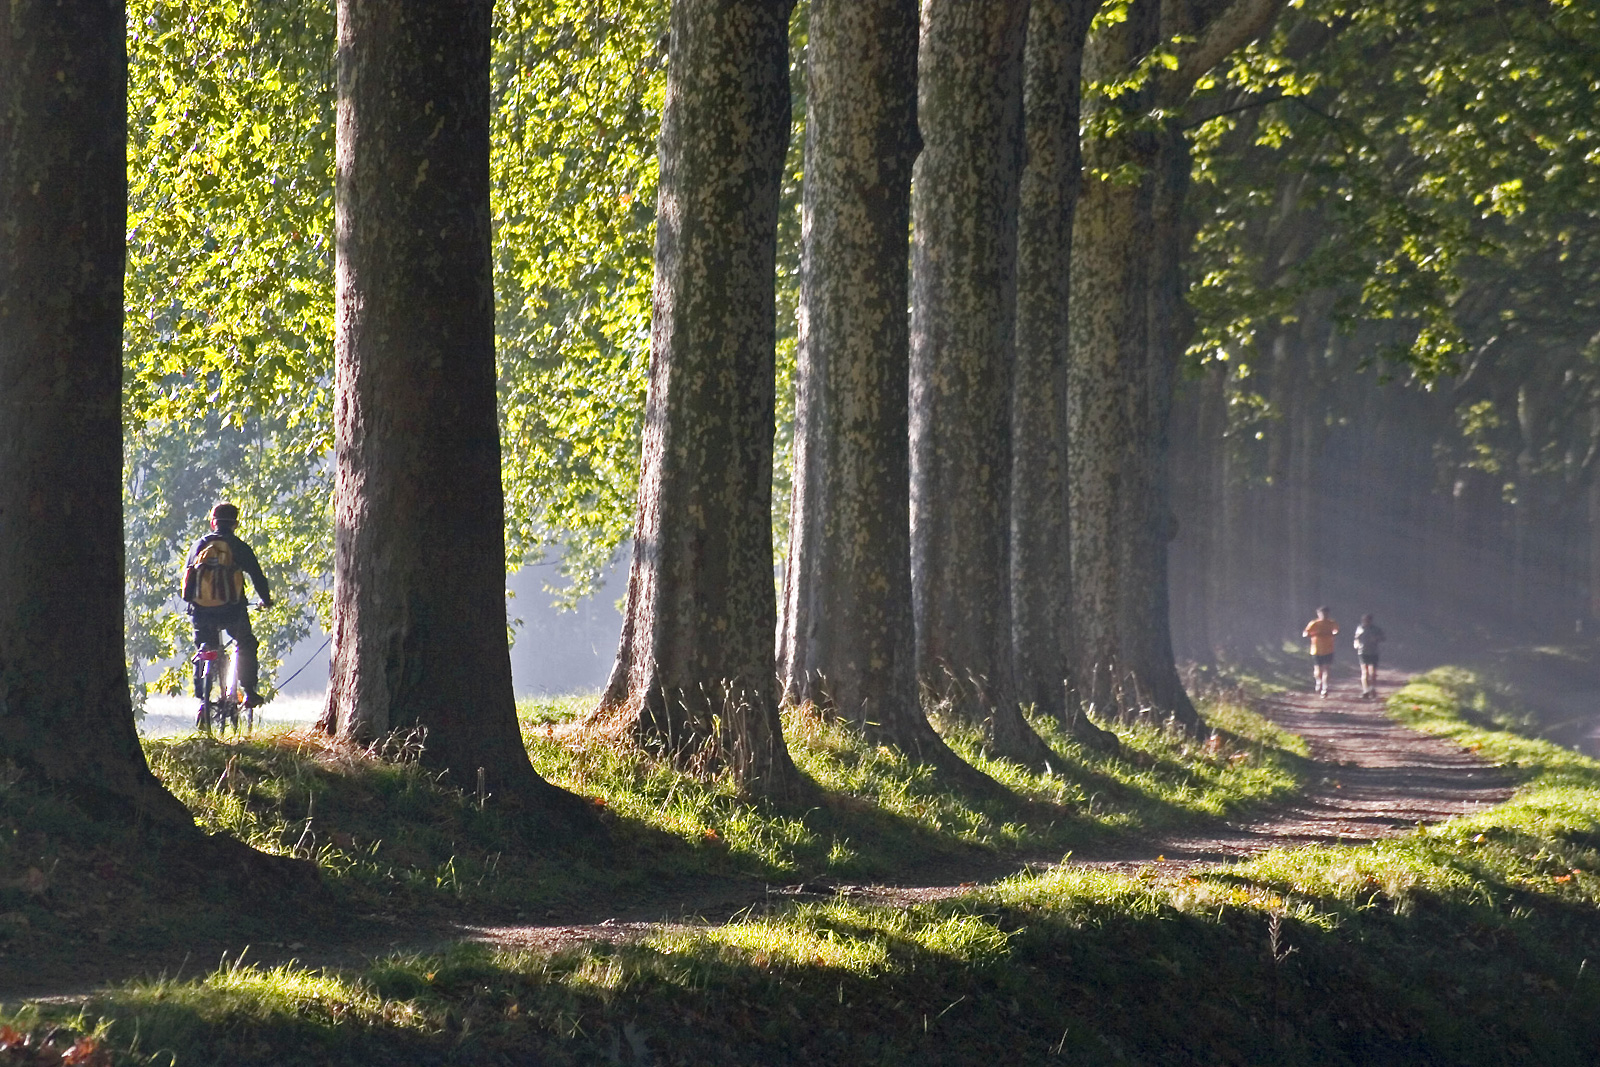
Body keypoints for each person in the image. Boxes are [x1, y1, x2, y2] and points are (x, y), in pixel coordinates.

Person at [181, 502, 273, 712]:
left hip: (201, 612)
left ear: (213, 522)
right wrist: (266, 600)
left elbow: (187, 579)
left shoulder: (199, 545)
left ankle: (203, 697)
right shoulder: (238, 546)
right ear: (235, 524)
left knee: (204, 647)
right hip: (232, 610)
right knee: (246, 643)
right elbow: (257, 577)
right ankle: (249, 691)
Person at [1302, 607, 1339, 697]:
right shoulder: (1314, 623)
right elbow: (1305, 633)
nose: (1324, 616)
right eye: (1322, 614)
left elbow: (1336, 630)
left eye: (1326, 614)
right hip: (1316, 650)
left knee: (1326, 669)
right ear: (1318, 614)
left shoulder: (1331, 623)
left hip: (1329, 649)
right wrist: (1310, 634)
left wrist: (1334, 633)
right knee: (1318, 670)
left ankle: (1325, 688)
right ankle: (1319, 681)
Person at [1353, 613, 1386, 699]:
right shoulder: (1360, 628)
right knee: (1365, 672)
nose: (1365, 622)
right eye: (1364, 620)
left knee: (1373, 673)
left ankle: (1373, 688)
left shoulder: (1376, 629)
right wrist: (1356, 645)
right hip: (1362, 652)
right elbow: (1356, 638)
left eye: (1367, 620)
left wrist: (1376, 639)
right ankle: (1365, 690)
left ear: (1371, 621)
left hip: (1373, 652)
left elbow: (1383, 638)